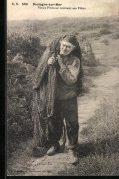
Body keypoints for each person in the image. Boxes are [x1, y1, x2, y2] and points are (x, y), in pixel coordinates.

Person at [32, 35, 83, 164]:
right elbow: (43, 75)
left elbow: (71, 80)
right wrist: (48, 65)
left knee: (72, 124)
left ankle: (72, 149)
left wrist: (60, 65)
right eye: (63, 45)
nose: (64, 49)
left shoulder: (75, 61)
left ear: (73, 49)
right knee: (53, 122)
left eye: (68, 47)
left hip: (68, 98)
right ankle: (55, 144)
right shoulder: (52, 57)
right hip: (54, 98)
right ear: (60, 44)